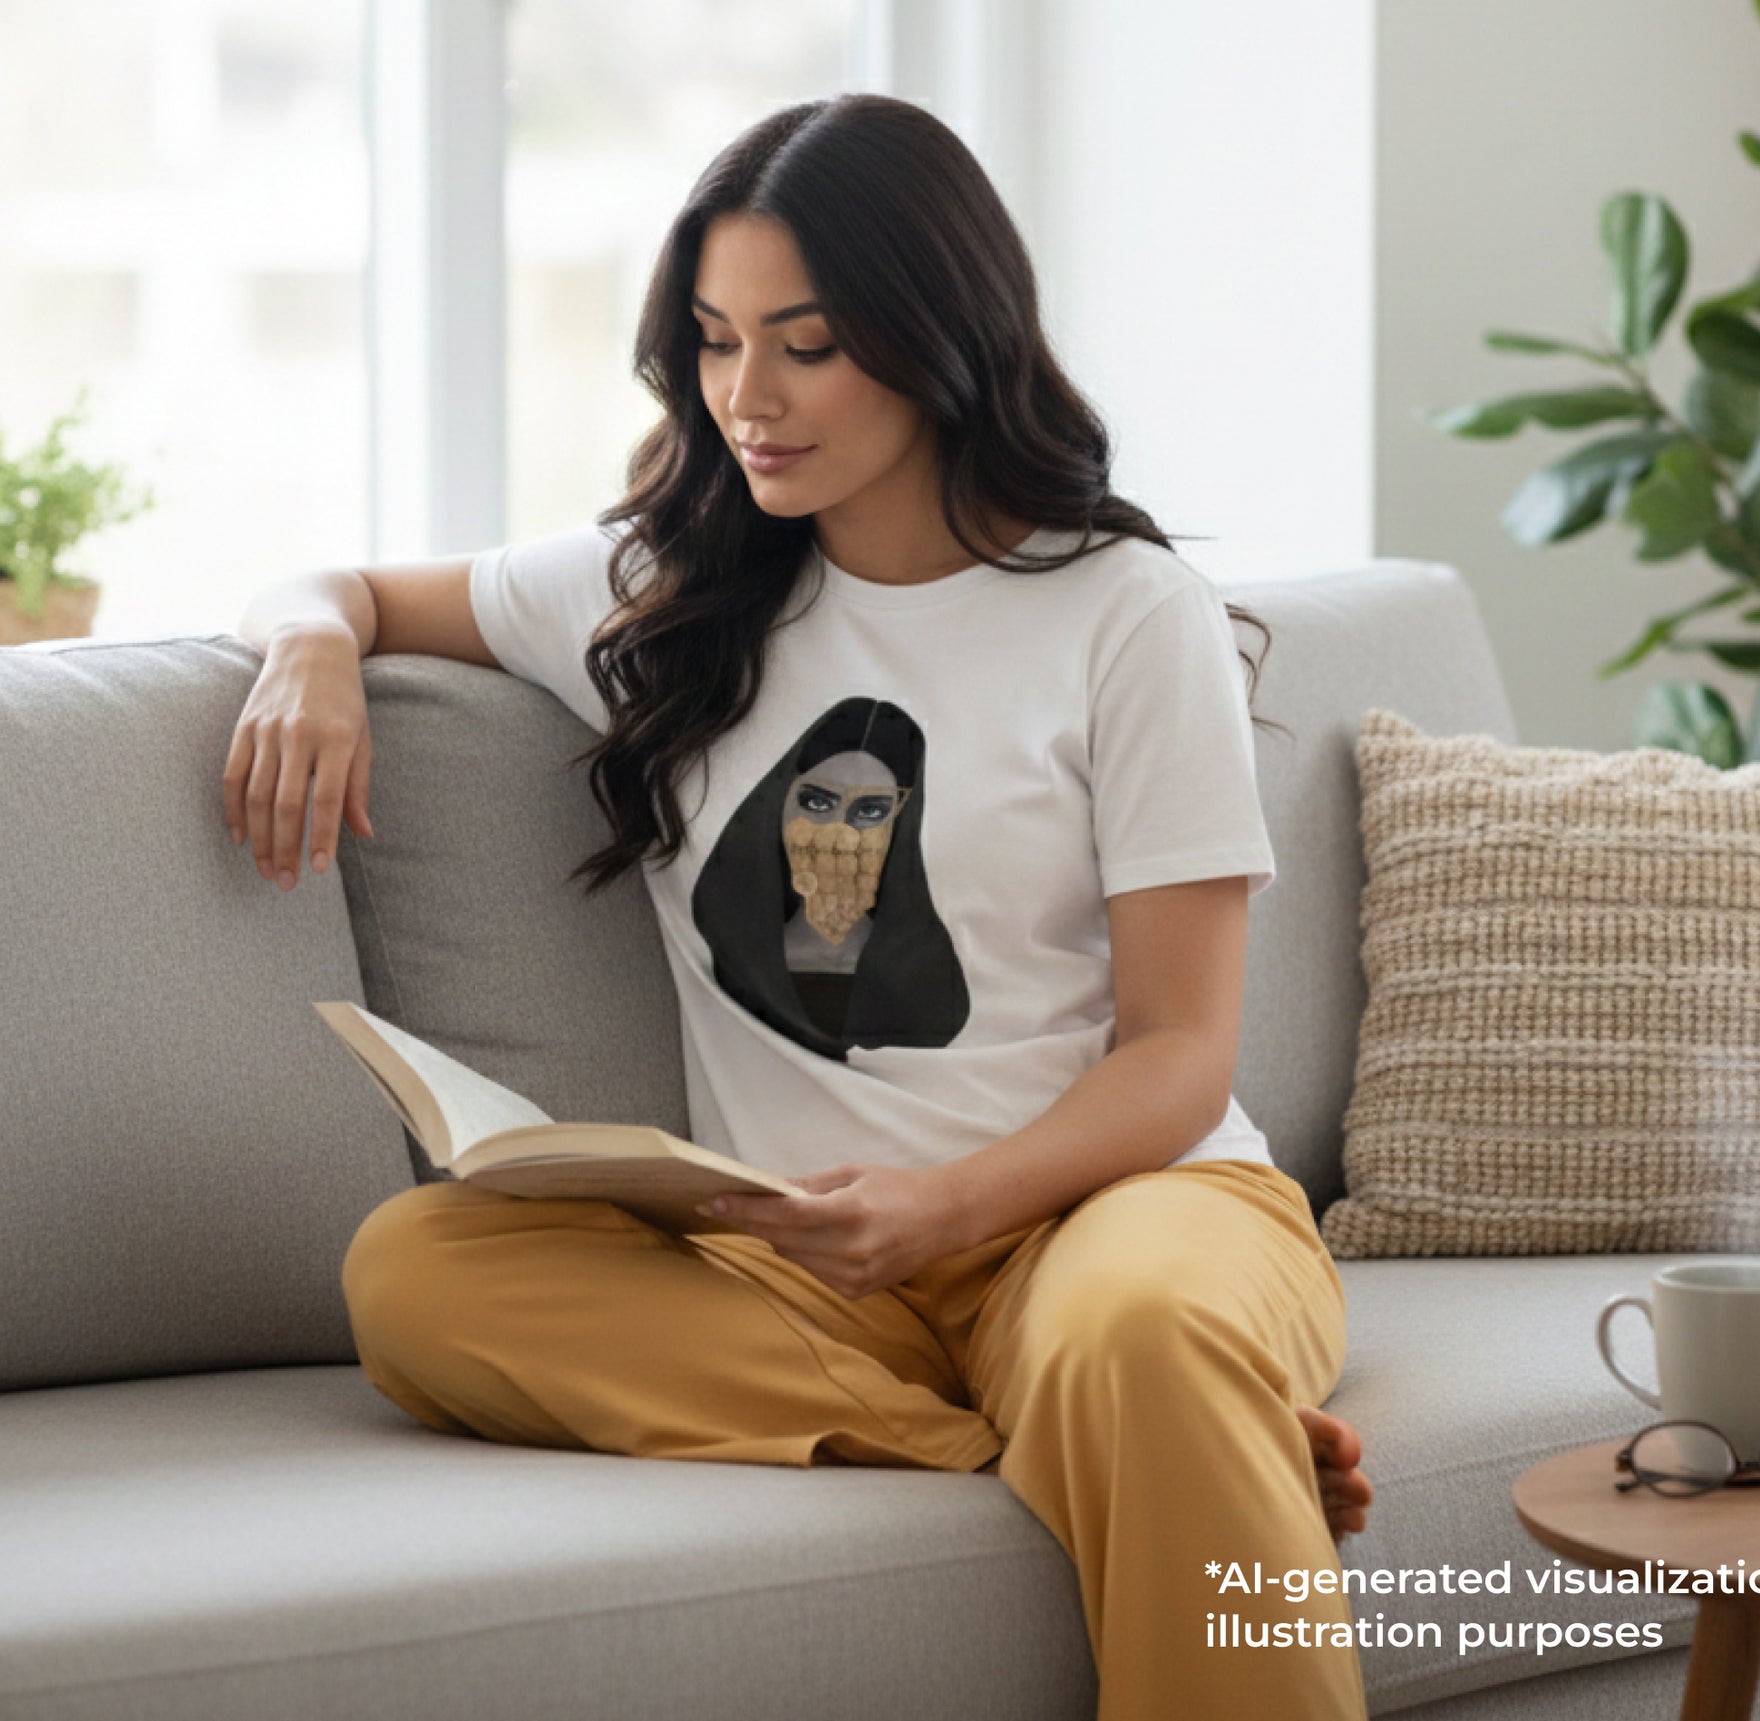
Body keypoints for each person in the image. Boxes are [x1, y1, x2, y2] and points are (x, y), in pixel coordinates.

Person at [225, 91, 1374, 1721]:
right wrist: (309, 651)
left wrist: (952, 1204)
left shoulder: (1127, 614)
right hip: (806, 1275)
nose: (744, 399)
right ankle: (1152, 1444)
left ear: (936, 337)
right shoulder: (666, 589)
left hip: (1121, 1214)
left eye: (805, 346)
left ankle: (1154, 1400)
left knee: (1135, 1332)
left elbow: (1181, 1054)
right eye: (712, 342)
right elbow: (332, 583)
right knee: (417, 1269)